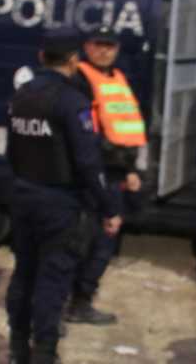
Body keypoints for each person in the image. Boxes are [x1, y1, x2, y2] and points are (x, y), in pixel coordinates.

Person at [5, 28, 123, 364]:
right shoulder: (71, 101)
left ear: (42, 58)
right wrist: (109, 207)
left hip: (24, 194)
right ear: (74, 60)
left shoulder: (21, 96)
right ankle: (43, 353)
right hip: (59, 202)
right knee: (52, 280)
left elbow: (11, 151)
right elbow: (88, 161)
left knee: (24, 274)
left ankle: (16, 348)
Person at [65, 26, 147, 325]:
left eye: (110, 46)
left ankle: (81, 301)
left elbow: (125, 127)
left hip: (114, 174)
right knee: (82, 240)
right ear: (86, 46)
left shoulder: (119, 78)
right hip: (91, 174)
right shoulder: (80, 79)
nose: (104, 50)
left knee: (104, 241)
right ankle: (63, 303)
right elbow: (84, 133)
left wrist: (130, 170)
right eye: (98, 45)